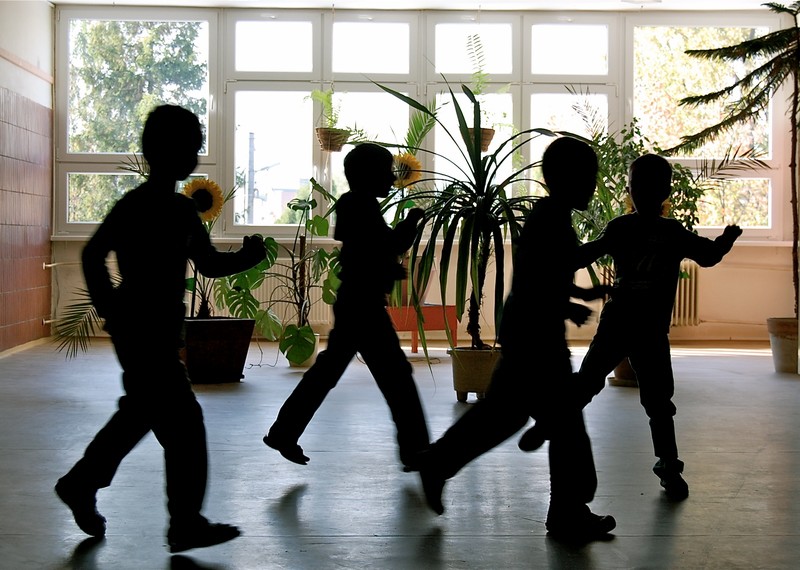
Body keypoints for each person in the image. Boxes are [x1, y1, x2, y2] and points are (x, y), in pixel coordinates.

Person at [55, 104, 266, 553]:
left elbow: (206, 264)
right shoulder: (150, 207)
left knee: (142, 413)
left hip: (148, 331)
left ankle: (82, 483)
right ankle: (183, 522)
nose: (197, 153)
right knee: (183, 423)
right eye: (193, 145)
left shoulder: (175, 210)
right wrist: (111, 310)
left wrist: (246, 259)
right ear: (169, 151)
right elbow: (94, 255)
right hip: (141, 331)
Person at [418, 136, 616, 542]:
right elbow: (542, 278)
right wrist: (572, 302)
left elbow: (549, 270)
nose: (593, 185)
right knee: (565, 428)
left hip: (530, 331)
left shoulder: (552, 216)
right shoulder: (549, 220)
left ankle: (438, 463)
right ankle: (568, 512)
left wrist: (579, 295)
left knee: (506, 415)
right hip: (536, 337)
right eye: (588, 177)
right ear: (561, 179)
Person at [539, 152, 741, 500]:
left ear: (630, 190)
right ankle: (669, 468)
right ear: (667, 191)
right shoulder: (672, 232)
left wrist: (559, 260)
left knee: (588, 381)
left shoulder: (622, 227)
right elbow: (708, 256)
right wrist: (727, 238)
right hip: (651, 329)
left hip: (618, 322)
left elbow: (589, 252)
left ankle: (551, 421)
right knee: (659, 402)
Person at [264, 143, 430, 473]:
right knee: (396, 377)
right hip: (363, 306)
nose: (391, 178)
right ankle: (416, 451)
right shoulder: (360, 206)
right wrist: (412, 221)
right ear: (369, 176)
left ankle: (283, 432)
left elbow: (375, 250)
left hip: (357, 302)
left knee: (332, 373)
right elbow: (388, 246)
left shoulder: (356, 203)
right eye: (386, 171)